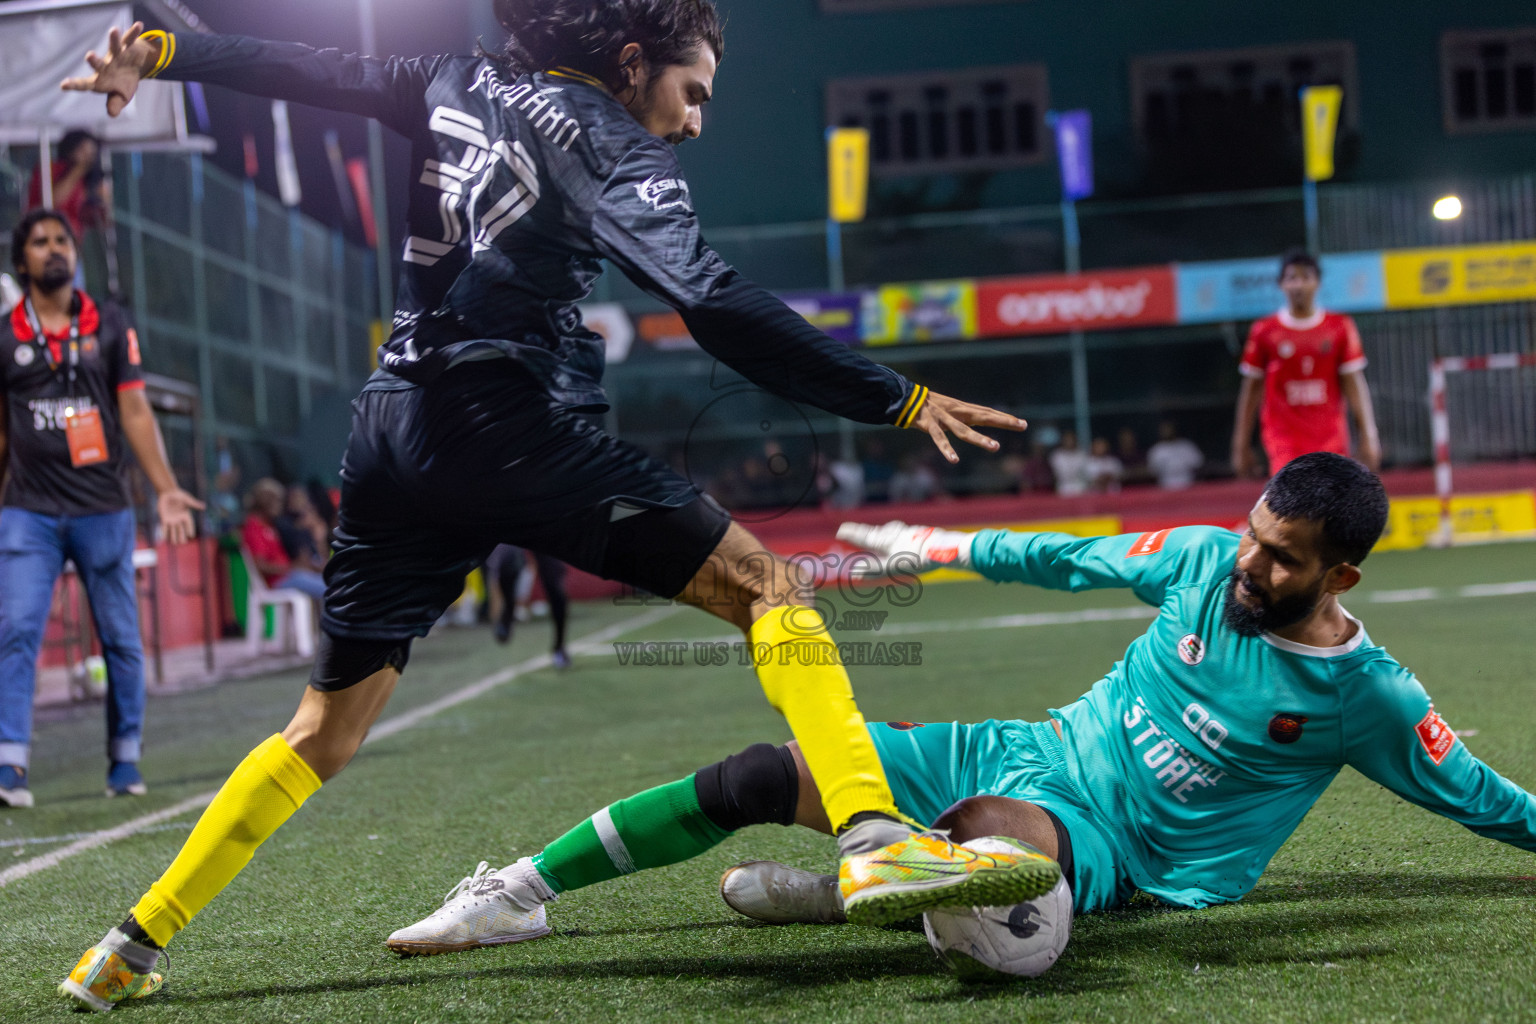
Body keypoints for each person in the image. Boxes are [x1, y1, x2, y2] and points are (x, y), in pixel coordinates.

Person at [56, 7, 1056, 1008]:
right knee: (769, 587)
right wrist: (898, 396)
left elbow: (307, 69)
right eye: (693, 90)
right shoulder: (620, 148)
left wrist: (169, 50)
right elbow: (706, 299)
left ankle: (126, 950)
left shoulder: (450, 75)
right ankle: (876, 842)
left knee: (319, 729)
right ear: (631, 63)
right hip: (508, 423)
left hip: (393, 430)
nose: (697, 120)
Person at [386, 453, 1536, 966]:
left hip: (1118, 848)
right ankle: (517, 897)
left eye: (1282, 561)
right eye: (1253, 534)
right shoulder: (1199, 559)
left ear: (1341, 578)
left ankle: (860, 887)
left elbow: (1475, 794)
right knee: (753, 774)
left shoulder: (1367, 695)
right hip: (1029, 746)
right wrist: (937, 545)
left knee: (996, 845)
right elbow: (1065, 558)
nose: (1249, 566)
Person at [0, 209, 202, 809]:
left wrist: (164, 486)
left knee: (120, 640)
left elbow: (135, 412)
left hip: (103, 508)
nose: (54, 248)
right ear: (21, 262)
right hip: (28, 511)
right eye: (40, 242)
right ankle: (9, 766)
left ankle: (125, 759)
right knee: (16, 631)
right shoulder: (5, 333)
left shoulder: (110, 324)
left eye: (62, 238)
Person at [1231, 249, 1381, 478]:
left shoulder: (1339, 326)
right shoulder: (1264, 331)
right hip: (1283, 439)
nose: (1298, 285)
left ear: (1317, 283)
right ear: (1281, 284)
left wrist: (1368, 435)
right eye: (1292, 278)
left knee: (1331, 507)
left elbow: (1354, 384)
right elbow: (1251, 389)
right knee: (1291, 505)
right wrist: (1240, 443)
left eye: (1306, 277)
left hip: (1330, 438)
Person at [485, 543, 570, 668]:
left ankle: (559, 645)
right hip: (515, 526)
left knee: (554, 584)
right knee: (507, 565)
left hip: (543, 527)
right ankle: (508, 612)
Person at [240, 478, 326, 599]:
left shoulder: (270, 526)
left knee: (329, 580)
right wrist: (290, 568)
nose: (279, 505)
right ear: (263, 501)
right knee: (328, 587)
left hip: (290, 575)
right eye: (275, 500)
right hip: (278, 580)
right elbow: (261, 566)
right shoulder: (254, 527)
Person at [26, 129, 111, 242]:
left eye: (91, 154)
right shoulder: (50, 169)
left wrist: (104, 201)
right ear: (71, 148)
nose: (87, 158)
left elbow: (98, 222)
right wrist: (78, 170)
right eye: (83, 151)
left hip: (70, 243)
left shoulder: (84, 181)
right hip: (44, 239)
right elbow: (52, 201)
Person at [1146, 419, 1204, 490]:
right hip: (1165, 487)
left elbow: (1199, 465)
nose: (1167, 431)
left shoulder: (1186, 446)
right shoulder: (1156, 450)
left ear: (1174, 429)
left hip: (1188, 485)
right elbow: (1152, 472)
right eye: (1164, 430)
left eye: (1168, 428)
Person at [1049, 429, 1090, 497]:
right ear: (1063, 441)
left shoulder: (1082, 455)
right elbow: (1056, 473)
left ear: (1075, 440)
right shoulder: (1057, 455)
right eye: (1067, 440)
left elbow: (1086, 472)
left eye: (1071, 439)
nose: (1069, 442)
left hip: (1081, 487)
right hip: (1063, 487)